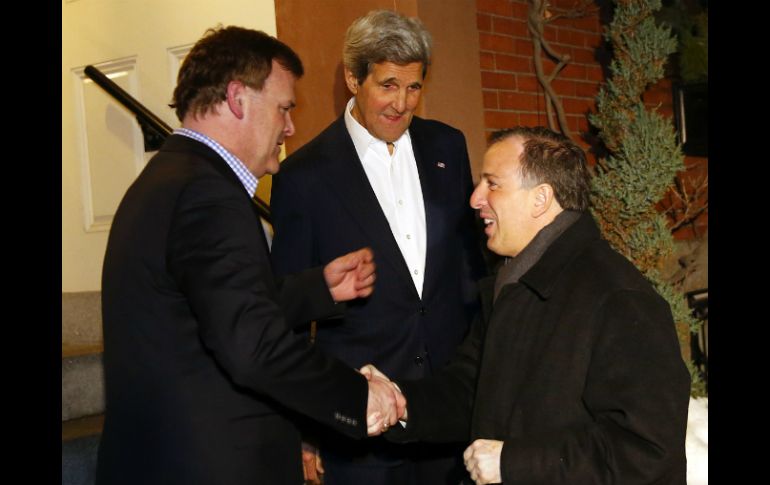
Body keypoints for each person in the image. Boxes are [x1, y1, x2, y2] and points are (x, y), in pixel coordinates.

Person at [95, 26, 404, 485]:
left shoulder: (172, 176)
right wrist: (356, 396)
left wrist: (312, 290)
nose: (290, 126)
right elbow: (251, 346)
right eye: (283, 108)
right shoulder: (208, 194)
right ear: (238, 98)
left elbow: (208, 310)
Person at [367, 126, 691, 484]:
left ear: (540, 198)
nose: (475, 199)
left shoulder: (619, 299)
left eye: (492, 183)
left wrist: (513, 463)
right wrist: (398, 403)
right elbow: (470, 391)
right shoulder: (514, 285)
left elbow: (647, 450)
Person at [269, 9, 487, 485]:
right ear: (353, 77)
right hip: (358, 427)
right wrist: (303, 427)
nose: (402, 103)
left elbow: (471, 272)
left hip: (448, 414)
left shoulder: (448, 147)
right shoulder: (303, 176)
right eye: (388, 85)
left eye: (414, 87)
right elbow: (286, 306)